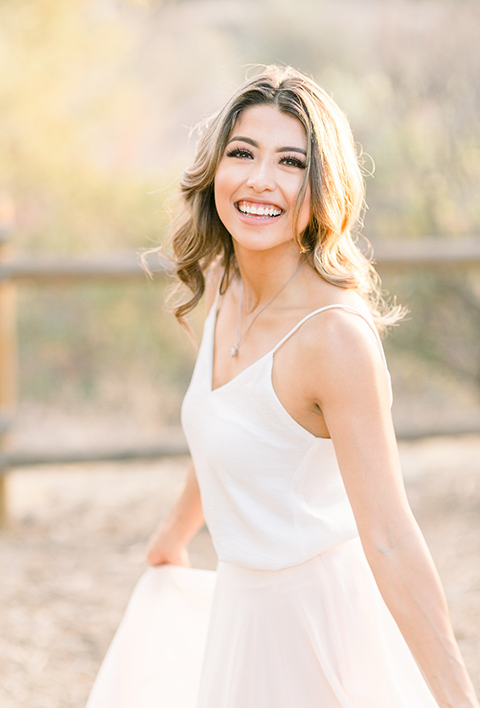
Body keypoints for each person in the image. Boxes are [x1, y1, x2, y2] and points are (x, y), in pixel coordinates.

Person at [85, 66, 479, 708]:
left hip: (315, 627)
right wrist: (174, 534)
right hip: (240, 611)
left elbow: (389, 534)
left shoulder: (335, 339)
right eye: (242, 152)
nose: (260, 179)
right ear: (215, 169)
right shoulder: (224, 282)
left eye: (291, 162)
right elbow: (228, 430)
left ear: (322, 188)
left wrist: (459, 700)